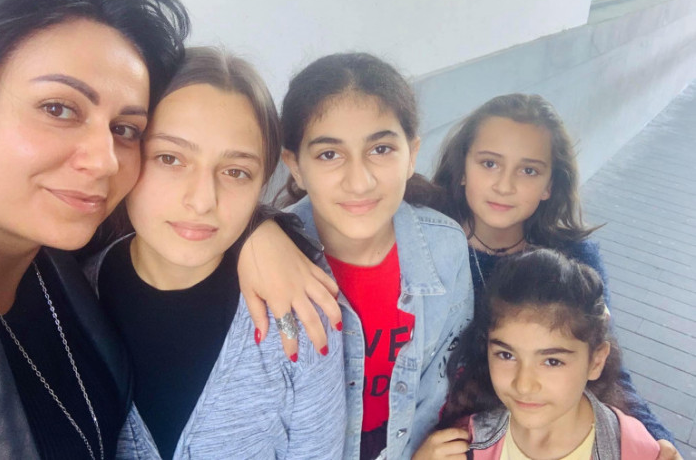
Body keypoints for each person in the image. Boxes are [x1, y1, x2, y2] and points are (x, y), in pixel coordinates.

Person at [88, 47, 345, 459]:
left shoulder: (298, 305)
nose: (203, 200)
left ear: (262, 183)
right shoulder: (68, 298)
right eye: (170, 158)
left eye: (236, 172)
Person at [0, 0, 189, 459]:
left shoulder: (68, 261)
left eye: (125, 129)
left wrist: (262, 235)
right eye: (59, 109)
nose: (105, 161)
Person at [429, 93, 679, 457]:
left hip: (530, 433)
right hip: (442, 437)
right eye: (489, 163)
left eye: (528, 170)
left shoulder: (572, 259)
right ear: (462, 168)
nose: (504, 185)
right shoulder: (424, 240)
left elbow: (602, 359)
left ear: (550, 184)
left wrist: (656, 439)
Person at [278, 52, 474, 460]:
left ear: (412, 154)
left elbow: (444, 374)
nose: (359, 181)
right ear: (295, 166)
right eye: (329, 154)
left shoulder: (445, 248)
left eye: (381, 149)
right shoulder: (267, 259)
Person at [414, 249, 660, 459]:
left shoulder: (636, 451)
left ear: (596, 361)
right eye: (506, 355)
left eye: (552, 361)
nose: (524, 384)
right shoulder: (462, 443)